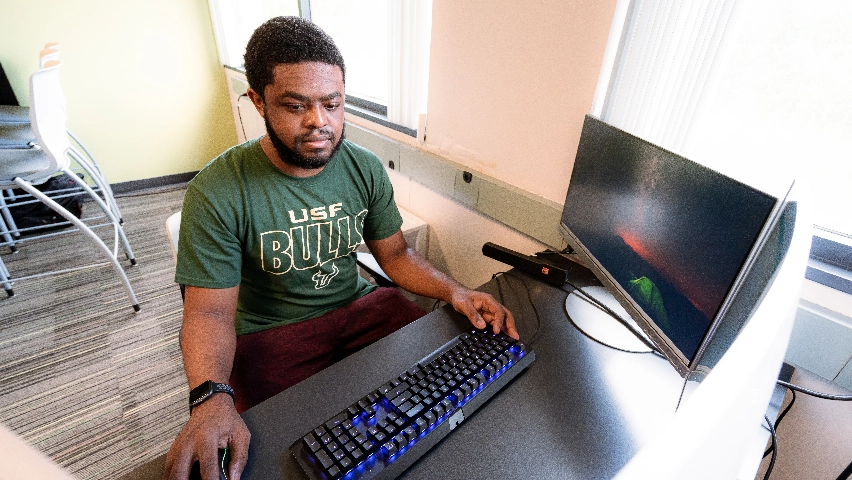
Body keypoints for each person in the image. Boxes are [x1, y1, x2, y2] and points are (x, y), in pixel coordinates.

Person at [162, 16, 517, 480]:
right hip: (272, 333)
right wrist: (209, 397)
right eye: (296, 106)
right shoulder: (218, 190)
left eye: (332, 103)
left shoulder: (364, 168)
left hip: (358, 309)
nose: (319, 122)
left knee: (459, 376)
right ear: (257, 102)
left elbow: (395, 257)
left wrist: (455, 291)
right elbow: (207, 314)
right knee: (289, 454)